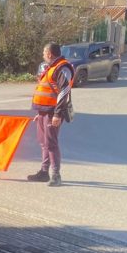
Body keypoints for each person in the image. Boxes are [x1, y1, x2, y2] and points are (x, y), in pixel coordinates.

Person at [27, 42, 74, 187]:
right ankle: (44, 172)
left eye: (43, 52)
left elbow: (64, 91)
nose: (42, 55)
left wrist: (57, 114)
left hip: (52, 112)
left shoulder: (62, 67)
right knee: (44, 143)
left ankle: (56, 175)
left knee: (51, 143)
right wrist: (40, 113)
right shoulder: (51, 67)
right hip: (44, 112)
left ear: (49, 53)